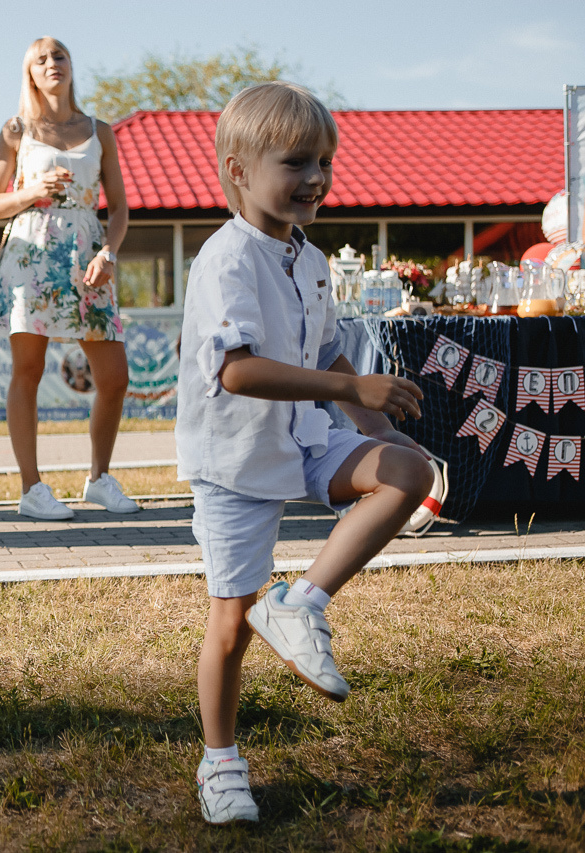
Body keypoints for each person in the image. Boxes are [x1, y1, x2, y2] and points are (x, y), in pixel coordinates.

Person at [175, 82, 433, 824]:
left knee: (408, 472)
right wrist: (349, 388)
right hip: (234, 458)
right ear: (237, 171)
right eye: (296, 161)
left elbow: (332, 362)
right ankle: (220, 761)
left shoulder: (311, 260)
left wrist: (379, 431)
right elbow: (237, 370)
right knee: (229, 622)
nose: (316, 177)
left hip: (307, 439)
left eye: (324, 160)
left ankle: (302, 603)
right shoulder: (225, 259)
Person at [0, 37, 138, 521]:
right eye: (42, 58)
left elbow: (120, 208)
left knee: (114, 377)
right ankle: (32, 488)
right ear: (30, 71)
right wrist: (30, 190)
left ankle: (99, 478)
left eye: (61, 56)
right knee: (28, 371)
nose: (53, 64)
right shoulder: (15, 130)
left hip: (88, 254)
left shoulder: (99, 130)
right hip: (31, 256)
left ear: (72, 67)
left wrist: (109, 252)